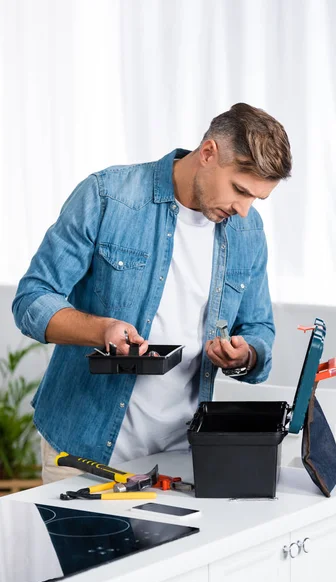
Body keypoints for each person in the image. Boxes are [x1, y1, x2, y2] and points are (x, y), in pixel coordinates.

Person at [12, 102, 292, 484]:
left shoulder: (248, 231)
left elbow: (259, 327)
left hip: (182, 457)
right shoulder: (107, 196)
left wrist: (246, 354)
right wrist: (102, 330)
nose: (244, 210)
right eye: (240, 190)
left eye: (256, 199)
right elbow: (32, 298)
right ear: (208, 153)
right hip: (83, 449)